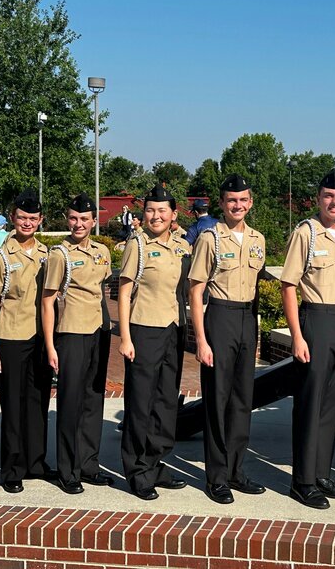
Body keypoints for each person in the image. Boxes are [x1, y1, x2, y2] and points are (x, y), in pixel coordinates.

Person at [281, 168, 335, 510]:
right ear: (318, 200)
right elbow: (288, 285)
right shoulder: (306, 234)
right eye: (329, 196)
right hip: (317, 319)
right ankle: (303, 481)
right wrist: (298, 337)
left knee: (332, 403)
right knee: (311, 405)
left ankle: (322, 472)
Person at [189, 173, 267, 504]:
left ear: (250, 203)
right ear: (222, 204)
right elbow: (196, 290)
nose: (238, 205)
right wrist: (202, 341)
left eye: (243, 200)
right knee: (218, 400)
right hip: (219, 317)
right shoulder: (211, 238)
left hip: (247, 319)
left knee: (241, 400)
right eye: (231, 200)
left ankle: (236, 470)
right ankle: (217, 476)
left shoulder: (258, 239)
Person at [117, 185, 190, 500]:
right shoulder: (138, 245)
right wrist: (125, 337)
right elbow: (123, 291)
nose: (156, 216)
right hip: (144, 329)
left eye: (162, 211)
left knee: (165, 402)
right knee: (141, 403)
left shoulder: (182, 246)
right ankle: (136, 471)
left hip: (174, 329)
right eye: (150, 210)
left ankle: (155, 462)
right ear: (143, 214)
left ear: (174, 215)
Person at [0, 189, 54, 493]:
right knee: (12, 405)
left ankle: (35, 461)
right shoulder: (0, 257)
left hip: (39, 337)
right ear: (13, 218)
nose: (27, 223)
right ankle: (11, 468)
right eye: (22, 217)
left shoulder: (46, 254)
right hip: (10, 338)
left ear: (40, 220)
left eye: (33, 218)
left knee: (38, 401)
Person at [41, 193, 113, 495]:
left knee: (93, 399)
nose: (78, 224)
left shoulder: (102, 251)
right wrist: (50, 346)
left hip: (98, 331)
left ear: (94, 221)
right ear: (67, 220)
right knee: (70, 402)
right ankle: (68, 470)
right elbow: (47, 301)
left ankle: (88, 464)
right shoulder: (61, 254)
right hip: (71, 333)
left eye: (84, 219)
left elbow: (101, 289)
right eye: (73, 218)